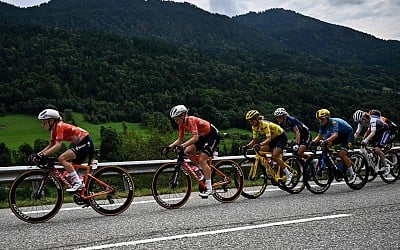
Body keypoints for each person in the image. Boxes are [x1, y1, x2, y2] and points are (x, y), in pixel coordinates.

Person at [30, 108, 95, 192]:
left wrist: (43, 155)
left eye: (44, 122)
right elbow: (51, 145)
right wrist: (38, 154)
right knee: (68, 174)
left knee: (62, 158)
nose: (43, 125)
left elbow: (58, 146)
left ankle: (79, 183)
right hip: (82, 143)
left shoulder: (59, 126)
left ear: (51, 120)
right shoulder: (53, 130)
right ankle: (84, 192)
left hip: (86, 142)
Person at [166, 105, 220, 197]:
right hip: (202, 136)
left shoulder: (191, 120)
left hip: (212, 135)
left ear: (183, 115)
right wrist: (169, 147)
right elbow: (180, 139)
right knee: (187, 151)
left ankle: (209, 188)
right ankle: (202, 169)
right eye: (174, 119)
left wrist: (182, 146)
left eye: (176, 118)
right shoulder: (181, 124)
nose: (175, 121)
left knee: (203, 159)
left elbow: (194, 138)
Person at [241, 109, 292, 185]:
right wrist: (246, 147)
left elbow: (268, 139)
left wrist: (260, 144)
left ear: (257, 119)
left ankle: (289, 174)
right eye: (249, 121)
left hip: (281, 137)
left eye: (252, 120)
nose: (250, 122)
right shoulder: (254, 126)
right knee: (260, 150)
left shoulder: (264, 124)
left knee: (274, 155)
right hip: (273, 138)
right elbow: (254, 140)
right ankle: (270, 165)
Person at [312, 109, 356, 182]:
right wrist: (312, 142)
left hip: (347, 134)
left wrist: (325, 141)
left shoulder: (334, 122)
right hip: (340, 135)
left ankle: (352, 174)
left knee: (342, 154)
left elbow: (335, 135)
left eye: (322, 119)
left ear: (327, 117)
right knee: (327, 146)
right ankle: (334, 164)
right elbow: (319, 136)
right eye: (319, 119)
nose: (320, 121)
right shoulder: (322, 124)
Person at [353, 109, 390, 175]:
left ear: (364, 118)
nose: (360, 123)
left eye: (360, 121)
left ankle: (387, 166)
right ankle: (373, 160)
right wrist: (350, 140)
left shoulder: (372, 120)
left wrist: (366, 140)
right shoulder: (361, 122)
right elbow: (357, 133)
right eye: (358, 122)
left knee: (377, 149)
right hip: (377, 132)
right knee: (366, 145)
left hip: (385, 131)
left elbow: (373, 132)